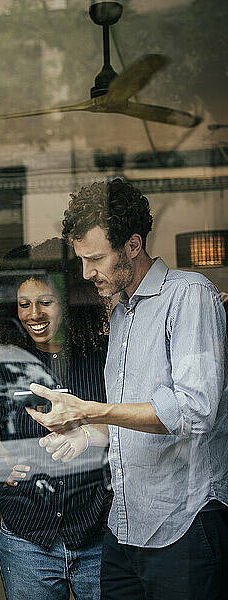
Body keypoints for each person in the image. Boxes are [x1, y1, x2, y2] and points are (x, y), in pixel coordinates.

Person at [27, 180, 228, 600]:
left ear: (133, 244)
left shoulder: (189, 296)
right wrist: (87, 434)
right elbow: (132, 416)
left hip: (184, 524)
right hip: (125, 526)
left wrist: (90, 411)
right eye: (82, 259)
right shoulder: (120, 313)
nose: (86, 273)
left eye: (96, 258)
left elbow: (193, 411)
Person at [0, 238, 110, 600]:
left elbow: (128, 424)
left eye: (45, 302)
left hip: (98, 536)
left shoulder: (104, 359)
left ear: (69, 303)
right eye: (24, 304)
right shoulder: (6, 367)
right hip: (27, 543)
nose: (33, 315)